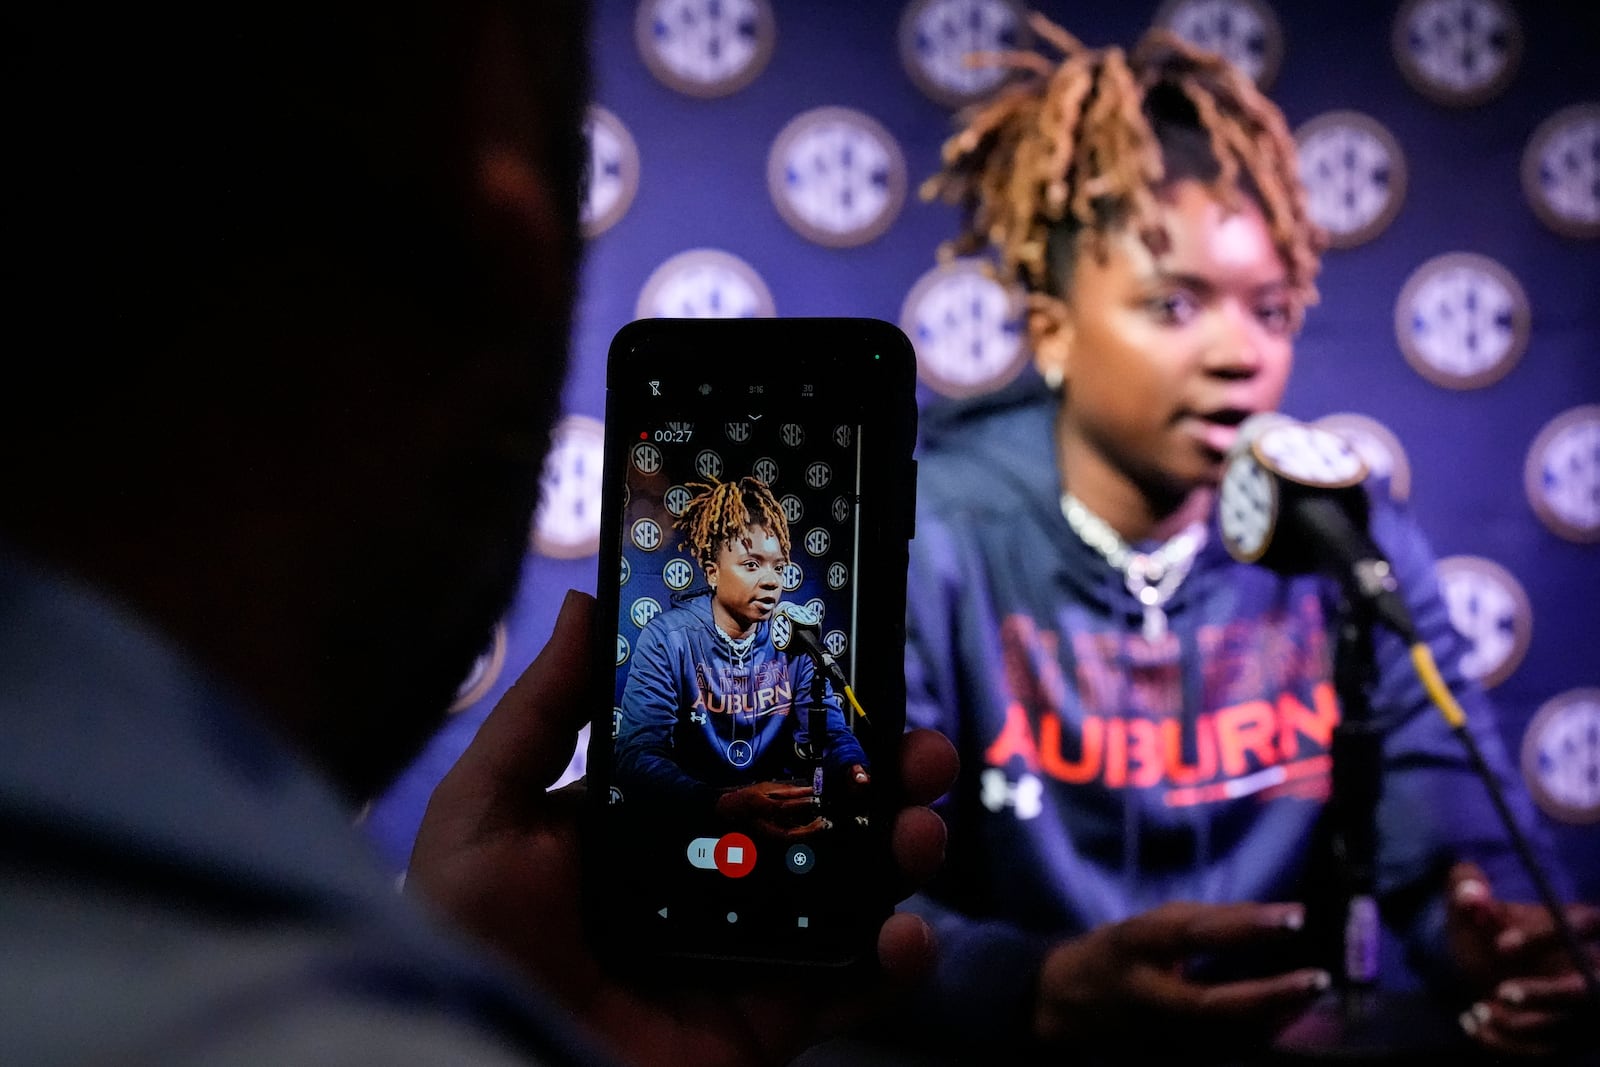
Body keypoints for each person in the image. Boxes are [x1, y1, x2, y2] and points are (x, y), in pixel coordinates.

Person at [0, 4, 956, 1066]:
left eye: (784, 554)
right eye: (755, 551)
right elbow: (664, 757)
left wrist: (494, 1000)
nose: (774, 570)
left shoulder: (805, 657)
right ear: (479, 235)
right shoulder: (671, 645)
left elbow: (837, 765)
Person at [901, 17, 1598, 1062]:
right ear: (1051, 332)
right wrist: (1032, 989)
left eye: (1270, 309)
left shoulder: (1345, 538)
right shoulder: (930, 536)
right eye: (1175, 303)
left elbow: (1449, 838)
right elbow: (844, 892)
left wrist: (1484, 933)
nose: (1240, 353)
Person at [615, 477, 870, 840]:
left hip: (785, 825)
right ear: (713, 572)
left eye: (778, 568)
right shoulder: (668, 638)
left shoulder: (797, 639)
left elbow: (829, 733)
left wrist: (853, 772)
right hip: (692, 832)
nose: (770, 581)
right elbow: (637, 755)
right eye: (752, 565)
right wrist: (722, 804)